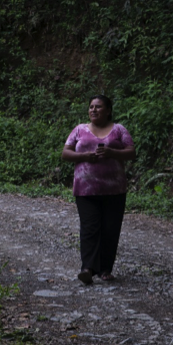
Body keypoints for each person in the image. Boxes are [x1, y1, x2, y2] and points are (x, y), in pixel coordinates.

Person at [61, 95, 136, 285]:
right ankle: (87, 268)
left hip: (114, 189)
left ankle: (105, 269)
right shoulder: (79, 130)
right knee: (89, 228)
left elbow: (131, 152)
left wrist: (112, 153)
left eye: (99, 107)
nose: (94, 110)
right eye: (91, 107)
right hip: (85, 189)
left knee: (110, 229)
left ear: (109, 110)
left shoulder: (119, 130)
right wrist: (85, 156)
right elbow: (65, 153)